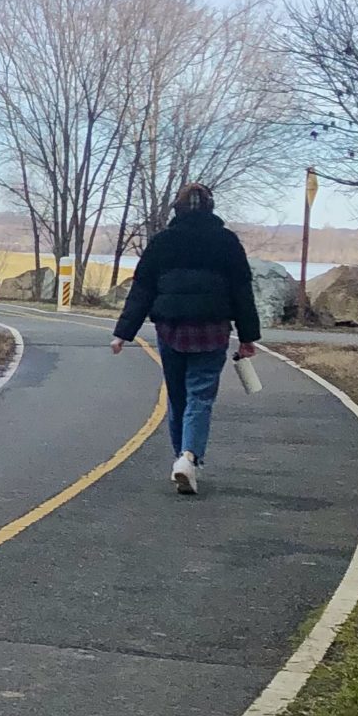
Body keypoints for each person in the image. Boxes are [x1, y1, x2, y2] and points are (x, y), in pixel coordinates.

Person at [109, 181, 260, 495]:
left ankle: (183, 458)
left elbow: (143, 288)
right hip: (213, 328)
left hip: (171, 328)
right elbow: (242, 291)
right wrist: (248, 337)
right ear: (210, 207)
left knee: (177, 396)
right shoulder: (226, 242)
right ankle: (189, 457)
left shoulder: (163, 242)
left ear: (176, 208)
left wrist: (124, 332)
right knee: (200, 396)